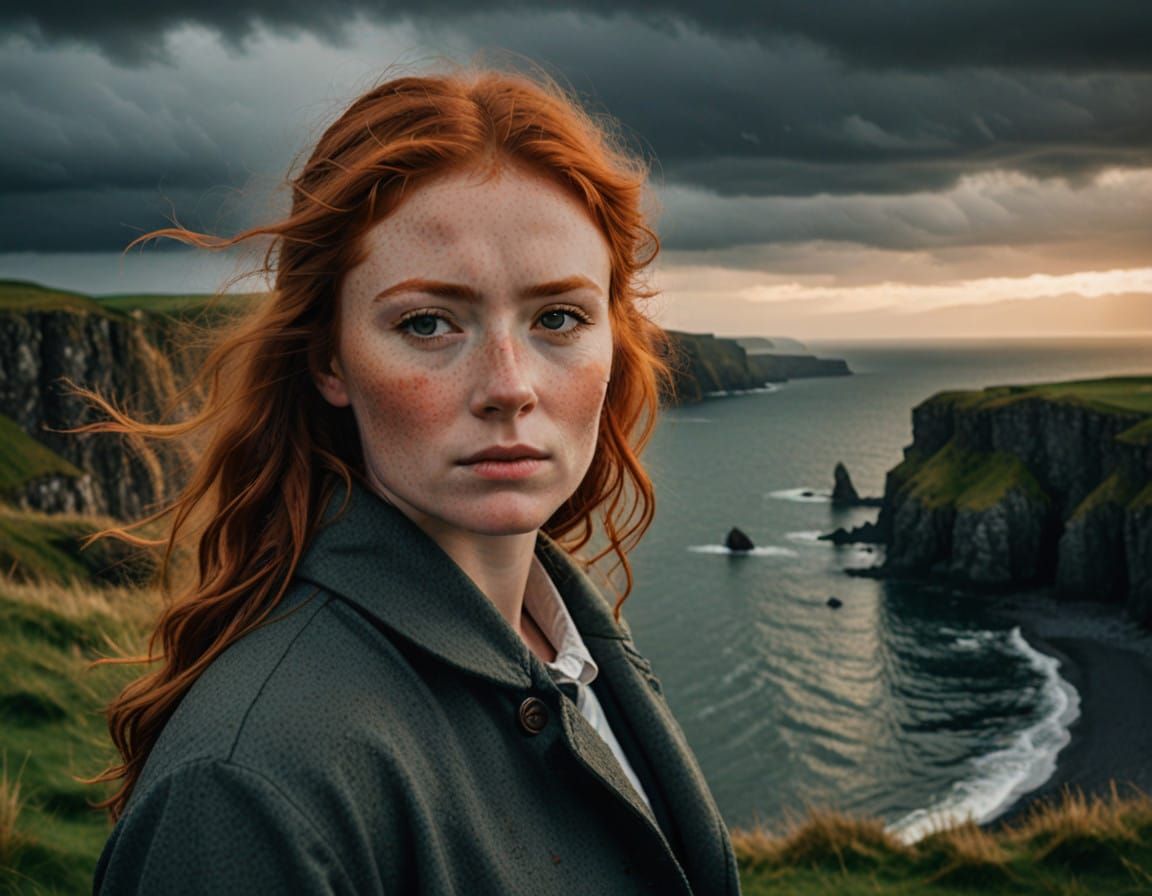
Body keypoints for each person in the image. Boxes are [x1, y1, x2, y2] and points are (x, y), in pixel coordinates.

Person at [88, 62, 740, 895]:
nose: (509, 385)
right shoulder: (245, 790)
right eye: (429, 323)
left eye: (558, 317)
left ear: (613, 340)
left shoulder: (575, 644)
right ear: (329, 358)